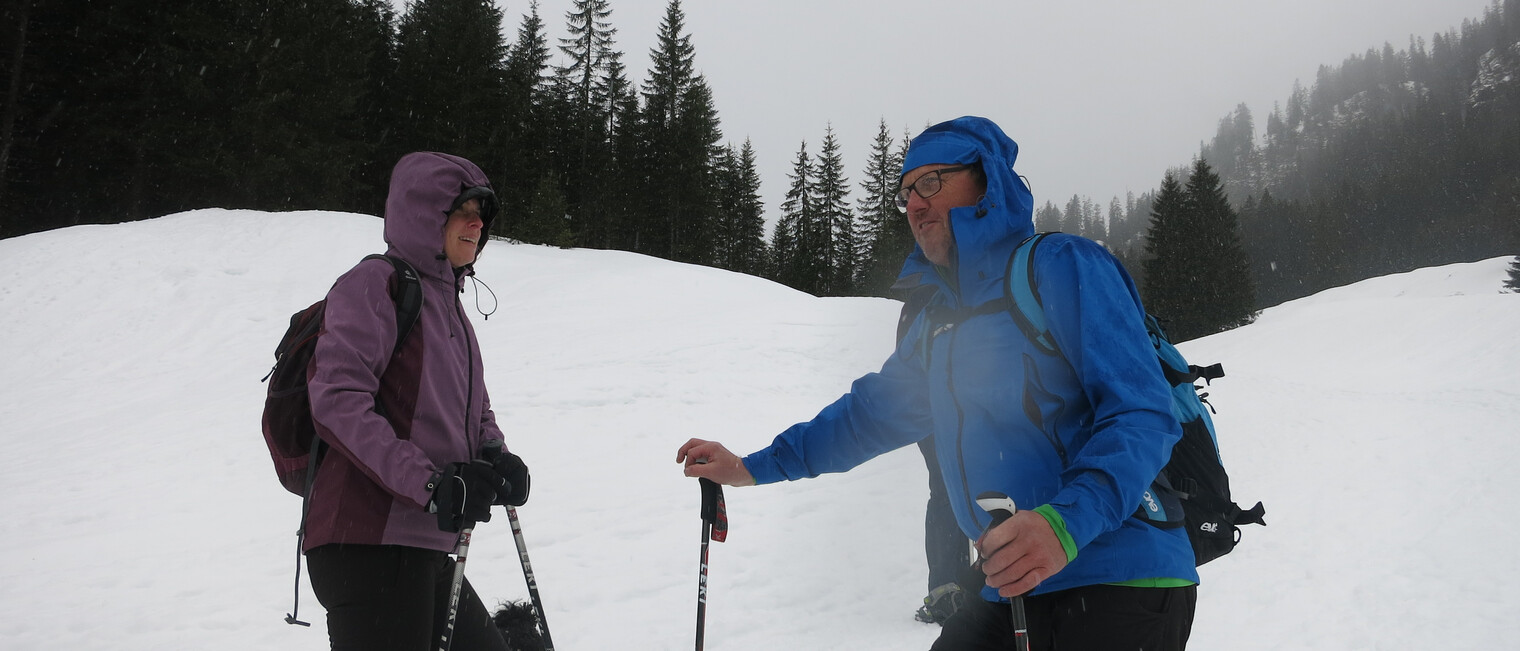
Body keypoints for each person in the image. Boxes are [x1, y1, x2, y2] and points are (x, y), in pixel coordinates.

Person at [678, 116, 1198, 650]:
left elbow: (1142, 413)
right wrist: (750, 467)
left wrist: (1065, 524)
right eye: (906, 193)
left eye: (932, 182)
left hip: (1121, 575)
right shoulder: (939, 322)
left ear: (985, 183)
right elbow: (867, 417)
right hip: (1008, 585)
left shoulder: (1062, 267)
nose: (916, 204)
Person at [304, 152, 531, 651]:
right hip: (366, 546)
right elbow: (337, 402)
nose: (475, 224)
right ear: (426, 214)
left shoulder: (452, 311)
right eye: (461, 211)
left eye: (481, 214)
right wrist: (430, 483)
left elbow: (477, 413)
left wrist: (494, 456)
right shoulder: (376, 285)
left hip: (423, 545)